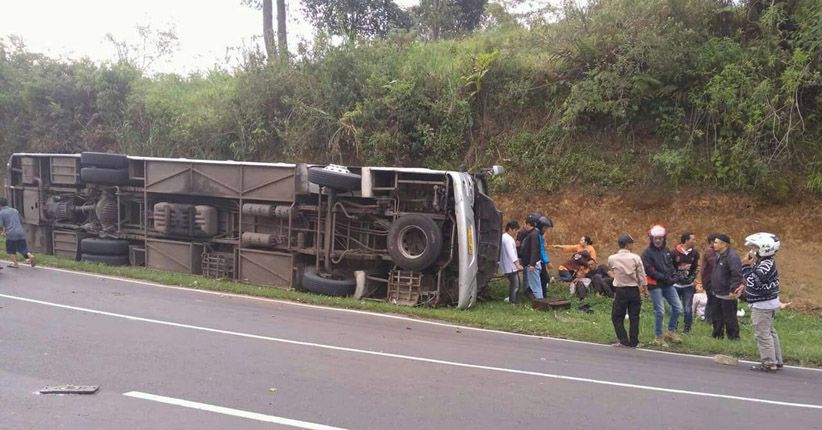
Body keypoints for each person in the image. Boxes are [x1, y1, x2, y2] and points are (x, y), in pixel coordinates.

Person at [736, 233, 783, 371]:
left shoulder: (766, 265)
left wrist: (744, 266)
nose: (752, 250)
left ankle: (769, 363)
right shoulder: (764, 262)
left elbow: (754, 281)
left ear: (765, 248)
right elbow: (754, 281)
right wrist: (744, 287)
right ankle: (776, 360)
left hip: (763, 305)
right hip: (768, 303)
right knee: (770, 331)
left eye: (755, 247)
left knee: (763, 334)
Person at [641, 225, 683, 346]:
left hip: (667, 284)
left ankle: (670, 331)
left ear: (664, 238)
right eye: (655, 238)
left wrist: (675, 276)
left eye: (660, 238)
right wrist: (665, 278)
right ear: (651, 239)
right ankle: (658, 337)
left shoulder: (666, 251)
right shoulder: (647, 253)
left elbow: (670, 266)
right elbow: (649, 270)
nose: (658, 240)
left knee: (678, 308)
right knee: (660, 311)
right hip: (655, 285)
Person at [608, 233, 648, 347]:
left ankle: (623, 340)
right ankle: (634, 341)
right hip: (634, 290)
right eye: (631, 243)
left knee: (617, 316)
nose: (632, 245)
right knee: (634, 317)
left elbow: (611, 269)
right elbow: (642, 275)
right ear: (627, 245)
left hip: (621, 290)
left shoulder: (612, 258)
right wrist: (645, 290)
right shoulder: (635, 257)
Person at [709, 234, 742, 340]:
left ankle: (733, 338)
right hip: (717, 293)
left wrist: (733, 290)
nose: (714, 245)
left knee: (730, 318)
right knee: (717, 317)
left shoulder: (732, 257)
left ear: (724, 244)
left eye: (716, 243)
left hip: (728, 294)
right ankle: (717, 336)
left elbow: (736, 274)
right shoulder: (718, 255)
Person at [673, 232, 700, 333]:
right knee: (675, 308)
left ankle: (687, 330)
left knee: (688, 308)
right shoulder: (674, 252)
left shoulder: (695, 253)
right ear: (686, 240)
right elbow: (670, 267)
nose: (695, 241)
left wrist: (692, 278)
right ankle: (673, 328)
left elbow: (695, 267)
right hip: (675, 285)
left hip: (688, 286)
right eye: (693, 239)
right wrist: (676, 277)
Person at [0, 197, 36, 268]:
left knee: (10, 250)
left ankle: (15, 264)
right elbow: (21, 220)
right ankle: (30, 256)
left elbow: (0, 225)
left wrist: (2, 232)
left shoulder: (1, 213)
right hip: (20, 232)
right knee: (23, 248)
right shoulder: (15, 210)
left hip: (11, 233)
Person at [519, 213, 544, 300]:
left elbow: (534, 250)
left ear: (528, 224)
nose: (524, 226)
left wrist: (532, 264)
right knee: (533, 284)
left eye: (525, 224)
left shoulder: (533, 235)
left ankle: (540, 302)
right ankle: (537, 301)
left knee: (536, 285)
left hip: (532, 264)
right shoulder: (532, 233)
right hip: (530, 263)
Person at [500, 221, 523, 304]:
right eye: (515, 230)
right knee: (516, 285)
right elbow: (511, 253)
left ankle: (513, 300)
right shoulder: (508, 239)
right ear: (510, 229)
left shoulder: (504, 237)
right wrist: (517, 265)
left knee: (515, 284)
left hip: (508, 265)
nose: (516, 232)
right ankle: (512, 302)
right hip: (510, 266)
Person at [700, 233, 719, 323]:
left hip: (713, 280)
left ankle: (710, 318)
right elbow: (714, 263)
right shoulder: (710, 251)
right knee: (712, 300)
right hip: (709, 280)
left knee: (713, 300)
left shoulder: (715, 251)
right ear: (712, 242)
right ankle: (709, 319)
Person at [537, 216, 554, 298]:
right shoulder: (537, 236)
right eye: (545, 228)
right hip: (538, 261)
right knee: (545, 278)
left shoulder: (539, 235)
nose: (546, 230)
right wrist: (547, 261)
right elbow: (541, 249)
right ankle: (542, 296)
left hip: (540, 261)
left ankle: (543, 296)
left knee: (544, 278)